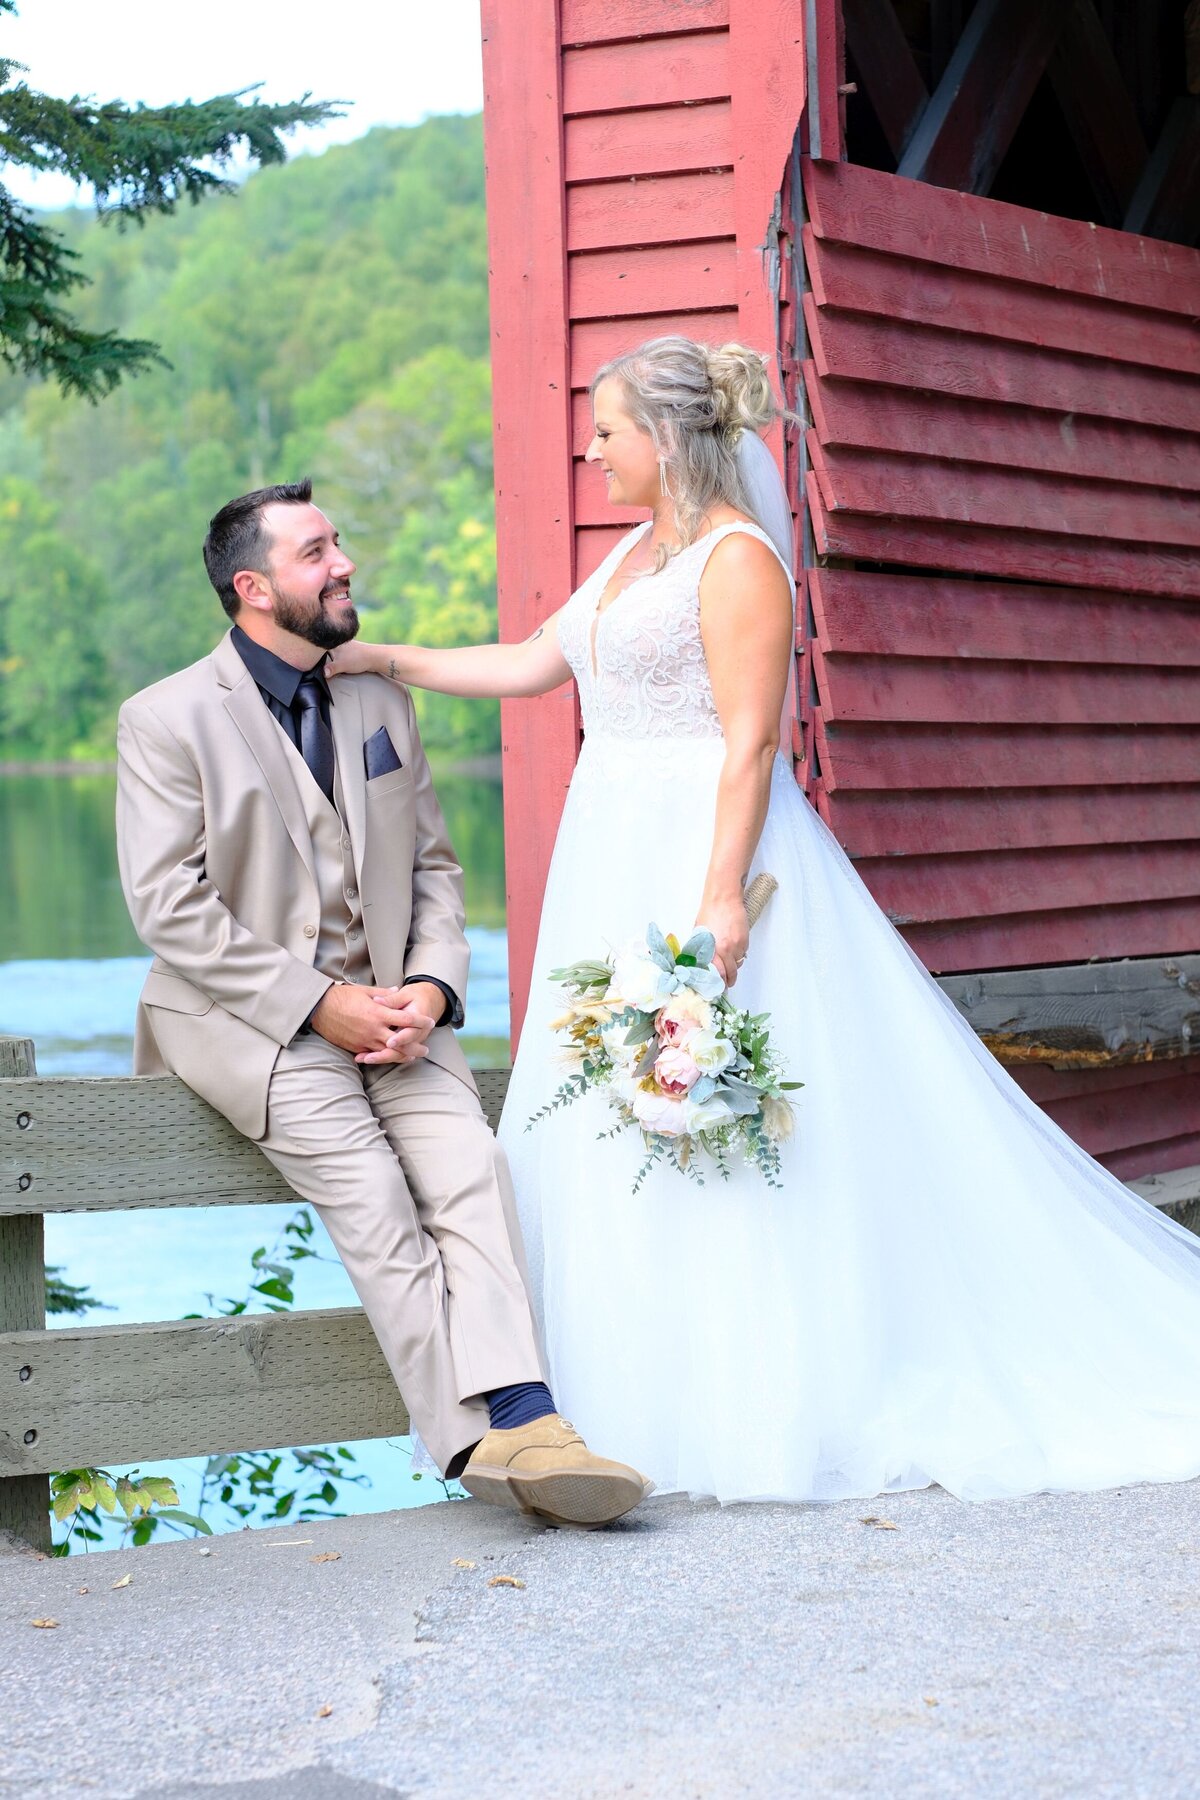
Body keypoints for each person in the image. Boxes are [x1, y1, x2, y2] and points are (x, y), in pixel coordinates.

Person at [329, 337, 1200, 1506]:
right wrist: (379, 656)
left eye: (607, 430)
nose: (591, 449)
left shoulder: (738, 562)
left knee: (730, 1113)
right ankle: (612, 1408)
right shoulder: (636, 556)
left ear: (669, 440)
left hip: (702, 847)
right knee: (603, 1112)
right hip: (609, 851)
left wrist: (721, 894)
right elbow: (538, 663)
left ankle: (751, 1401)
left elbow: (747, 742)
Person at [115, 478, 649, 1528]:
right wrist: (321, 1004)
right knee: (373, 1199)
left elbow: (438, 870)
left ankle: (526, 1427)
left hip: (399, 1017)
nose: (346, 562)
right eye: (319, 553)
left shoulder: (378, 697)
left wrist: (435, 986)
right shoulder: (166, 718)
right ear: (253, 587)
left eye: (339, 543)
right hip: (252, 1024)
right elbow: (167, 907)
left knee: (473, 1168)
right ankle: (489, 1442)